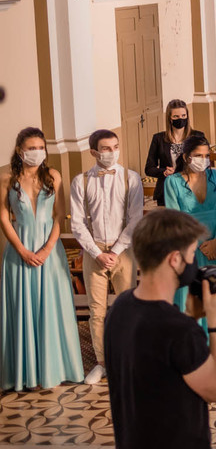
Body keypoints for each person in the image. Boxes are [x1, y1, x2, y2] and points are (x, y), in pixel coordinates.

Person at [105, 209, 216, 449]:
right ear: (175, 259)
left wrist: (191, 317)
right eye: (191, 254)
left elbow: (160, 369)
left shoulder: (121, 307)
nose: (194, 263)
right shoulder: (177, 330)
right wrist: (214, 320)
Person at [0, 127, 84, 391]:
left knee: (52, 308)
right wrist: (22, 250)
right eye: (31, 148)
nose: (37, 153)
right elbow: (3, 217)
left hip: (51, 253)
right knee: (22, 309)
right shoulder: (6, 180)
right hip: (19, 252)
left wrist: (48, 248)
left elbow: (59, 215)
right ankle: (25, 373)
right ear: (19, 150)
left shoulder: (54, 176)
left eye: (41, 148)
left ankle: (55, 369)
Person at [69, 129, 144, 385]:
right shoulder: (81, 181)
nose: (112, 152)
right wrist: (97, 253)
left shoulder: (130, 178)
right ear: (93, 152)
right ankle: (102, 363)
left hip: (123, 250)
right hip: (94, 251)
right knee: (97, 311)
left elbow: (135, 219)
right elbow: (77, 224)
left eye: (115, 147)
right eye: (106, 148)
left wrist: (115, 251)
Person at [165, 135, 216, 358]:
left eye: (207, 156)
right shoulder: (173, 182)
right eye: (198, 156)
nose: (204, 160)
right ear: (186, 157)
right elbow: (174, 219)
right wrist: (196, 246)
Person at [145, 99, 203, 204]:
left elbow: (205, 164)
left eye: (183, 116)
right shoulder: (158, 138)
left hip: (192, 188)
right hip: (167, 189)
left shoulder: (198, 136)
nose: (180, 119)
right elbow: (149, 168)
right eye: (176, 116)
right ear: (170, 119)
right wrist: (164, 172)